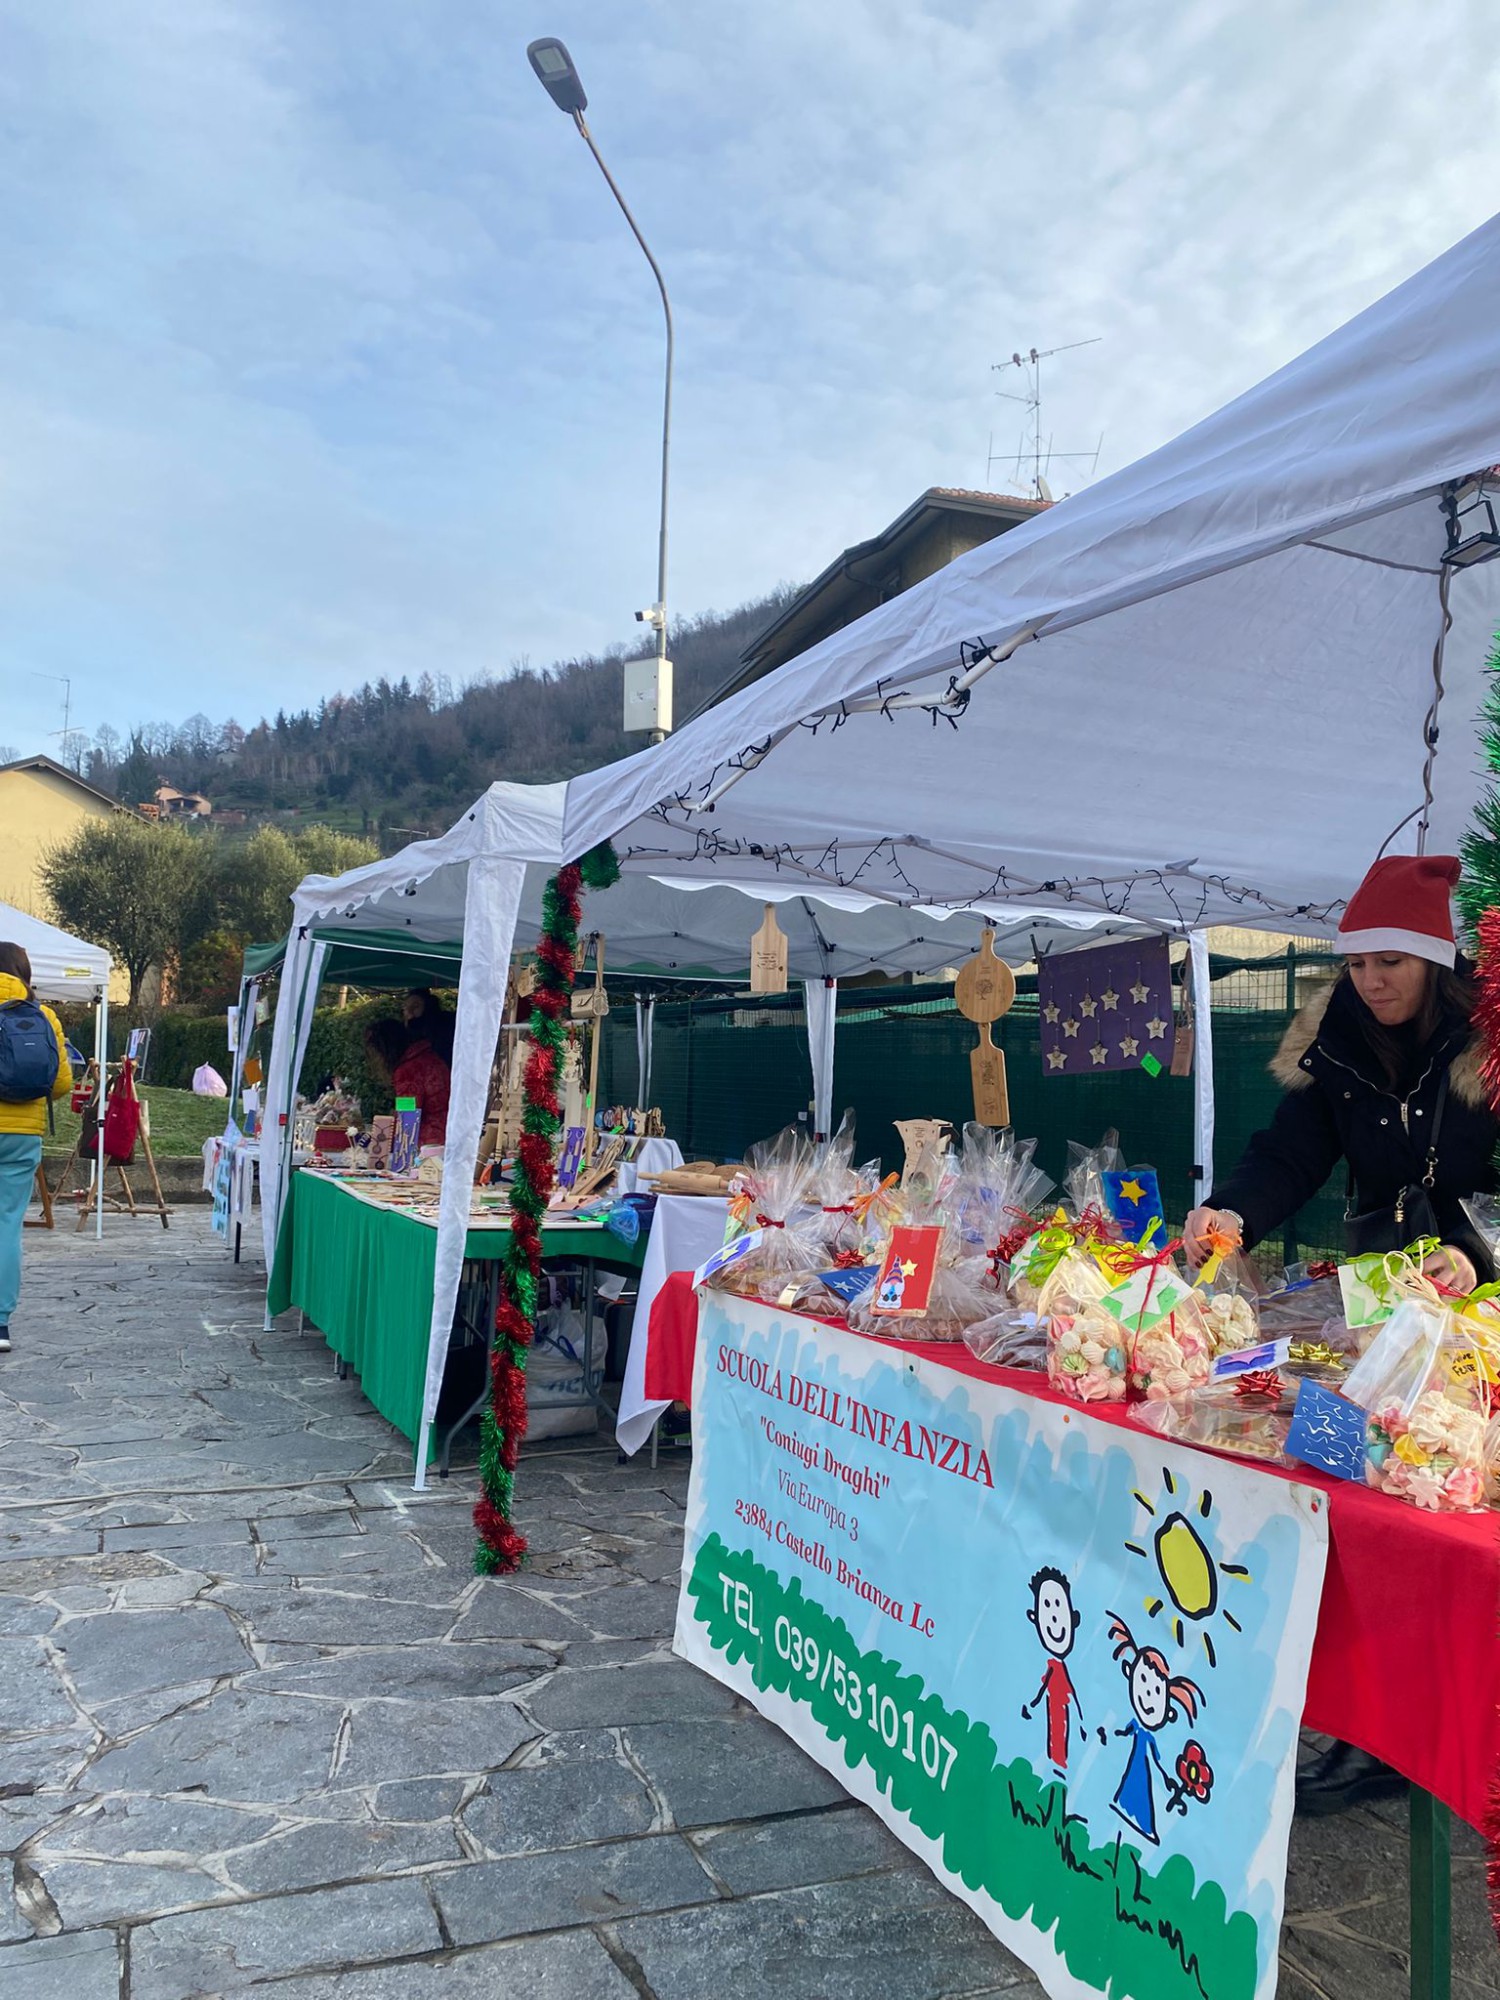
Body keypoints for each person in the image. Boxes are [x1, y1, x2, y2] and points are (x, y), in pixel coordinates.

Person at [1184, 852, 1498, 1814]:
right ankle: (1376, 1729)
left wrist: (1476, 1255)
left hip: (1482, 1308)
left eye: (1390, 962)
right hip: (1380, 1299)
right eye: (1357, 963)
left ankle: (1436, 1729)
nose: (1371, 981)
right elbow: (1289, 1152)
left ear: (1434, 960)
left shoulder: (1493, 1039)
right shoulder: (1338, 1043)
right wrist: (1233, 1211)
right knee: (1366, 1483)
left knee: (1441, 1500)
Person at [0, 943, 73, 1354]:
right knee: (7, 1225)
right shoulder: (44, 1016)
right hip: (23, 1136)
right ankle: (0, 1324)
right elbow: (60, 1084)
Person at [364, 1016, 451, 1148]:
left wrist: (385, 1140)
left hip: (428, 1140)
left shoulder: (407, 1071)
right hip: (448, 1130)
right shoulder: (430, 1057)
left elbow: (407, 1115)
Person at [401, 988, 454, 1064]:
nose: (409, 1012)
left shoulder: (444, 1028)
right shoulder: (404, 1034)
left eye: (416, 1006)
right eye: (405, 1007)